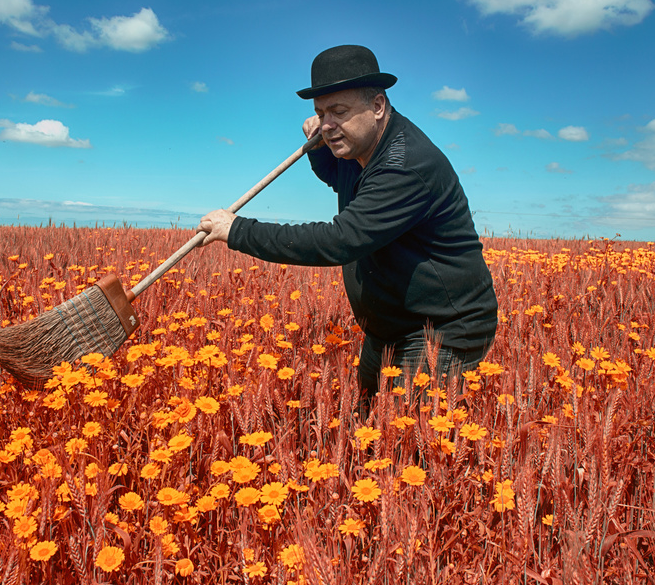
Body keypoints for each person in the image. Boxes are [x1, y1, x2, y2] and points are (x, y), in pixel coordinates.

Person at [198, 45, 497, 413]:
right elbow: (341, 179)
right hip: (389, 326)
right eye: (320, 113)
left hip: (440, 330)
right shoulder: (363, 146)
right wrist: (322, 147)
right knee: (368, 433)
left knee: (406, 450)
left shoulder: (406, 166)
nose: (326, 124)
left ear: (377, 106)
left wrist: (238, 230)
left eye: (338, 111)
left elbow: (341, 240)